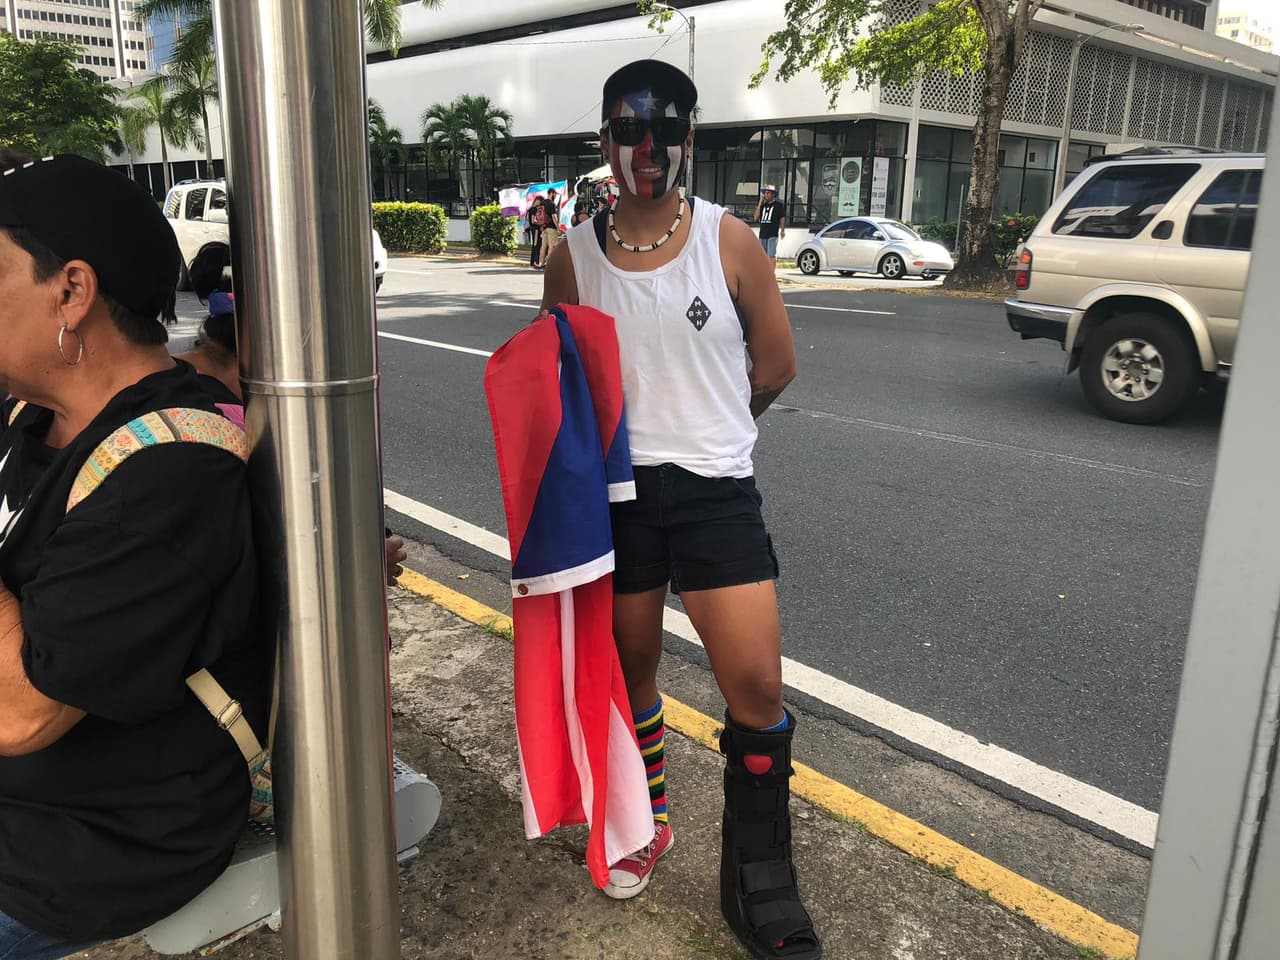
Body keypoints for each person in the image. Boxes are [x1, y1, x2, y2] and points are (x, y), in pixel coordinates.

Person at [540, 61, 821, 959]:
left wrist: (714, 428)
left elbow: (774, 367)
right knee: (630, 675)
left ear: (690, 137)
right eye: (628, 131)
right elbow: (559, 389)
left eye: (664, 129)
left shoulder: (730, 242)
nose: (647, 149)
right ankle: (644, 821)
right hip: (618, 501)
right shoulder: (571, 259)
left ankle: (759, 879)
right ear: (605, 141)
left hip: (714, 494)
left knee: (757, 688)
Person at [0, 153, 271, 957]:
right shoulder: (34, 416)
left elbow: (20, 716)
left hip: (89, 843)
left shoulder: (167, 469)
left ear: (72, 293)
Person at [754, 184, 787, 270]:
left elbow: (782, 218)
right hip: (763, 233)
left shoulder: (778, 205)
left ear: (773, 194)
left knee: (771, 254)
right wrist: (760, 204)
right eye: (765, 193)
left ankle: (772, 273)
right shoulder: (763, 206)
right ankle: (764, 272)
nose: (766, 195)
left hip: (772, 233)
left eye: (768, 193)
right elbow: (756, 218)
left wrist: (782, 230)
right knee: (762, 255)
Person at [539, 188, 561, 268]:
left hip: (544, 227)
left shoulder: (542, 203)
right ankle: (548, 263)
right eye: (555, 194)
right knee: (552, 246)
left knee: (543, 246)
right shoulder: (551, 203)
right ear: (551, 193)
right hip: (551, 228)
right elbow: (554, 216)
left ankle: (541, 263)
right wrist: (558, 228)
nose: (555, 196)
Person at [527, 196, 546, 270]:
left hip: (533, 229)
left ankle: (534, 263)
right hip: (536, 229)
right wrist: (540, 224)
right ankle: (534, 262)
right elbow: (533, 220)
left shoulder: (531, 209)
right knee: (536, 246)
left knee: (536, 245)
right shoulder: (534, 209)